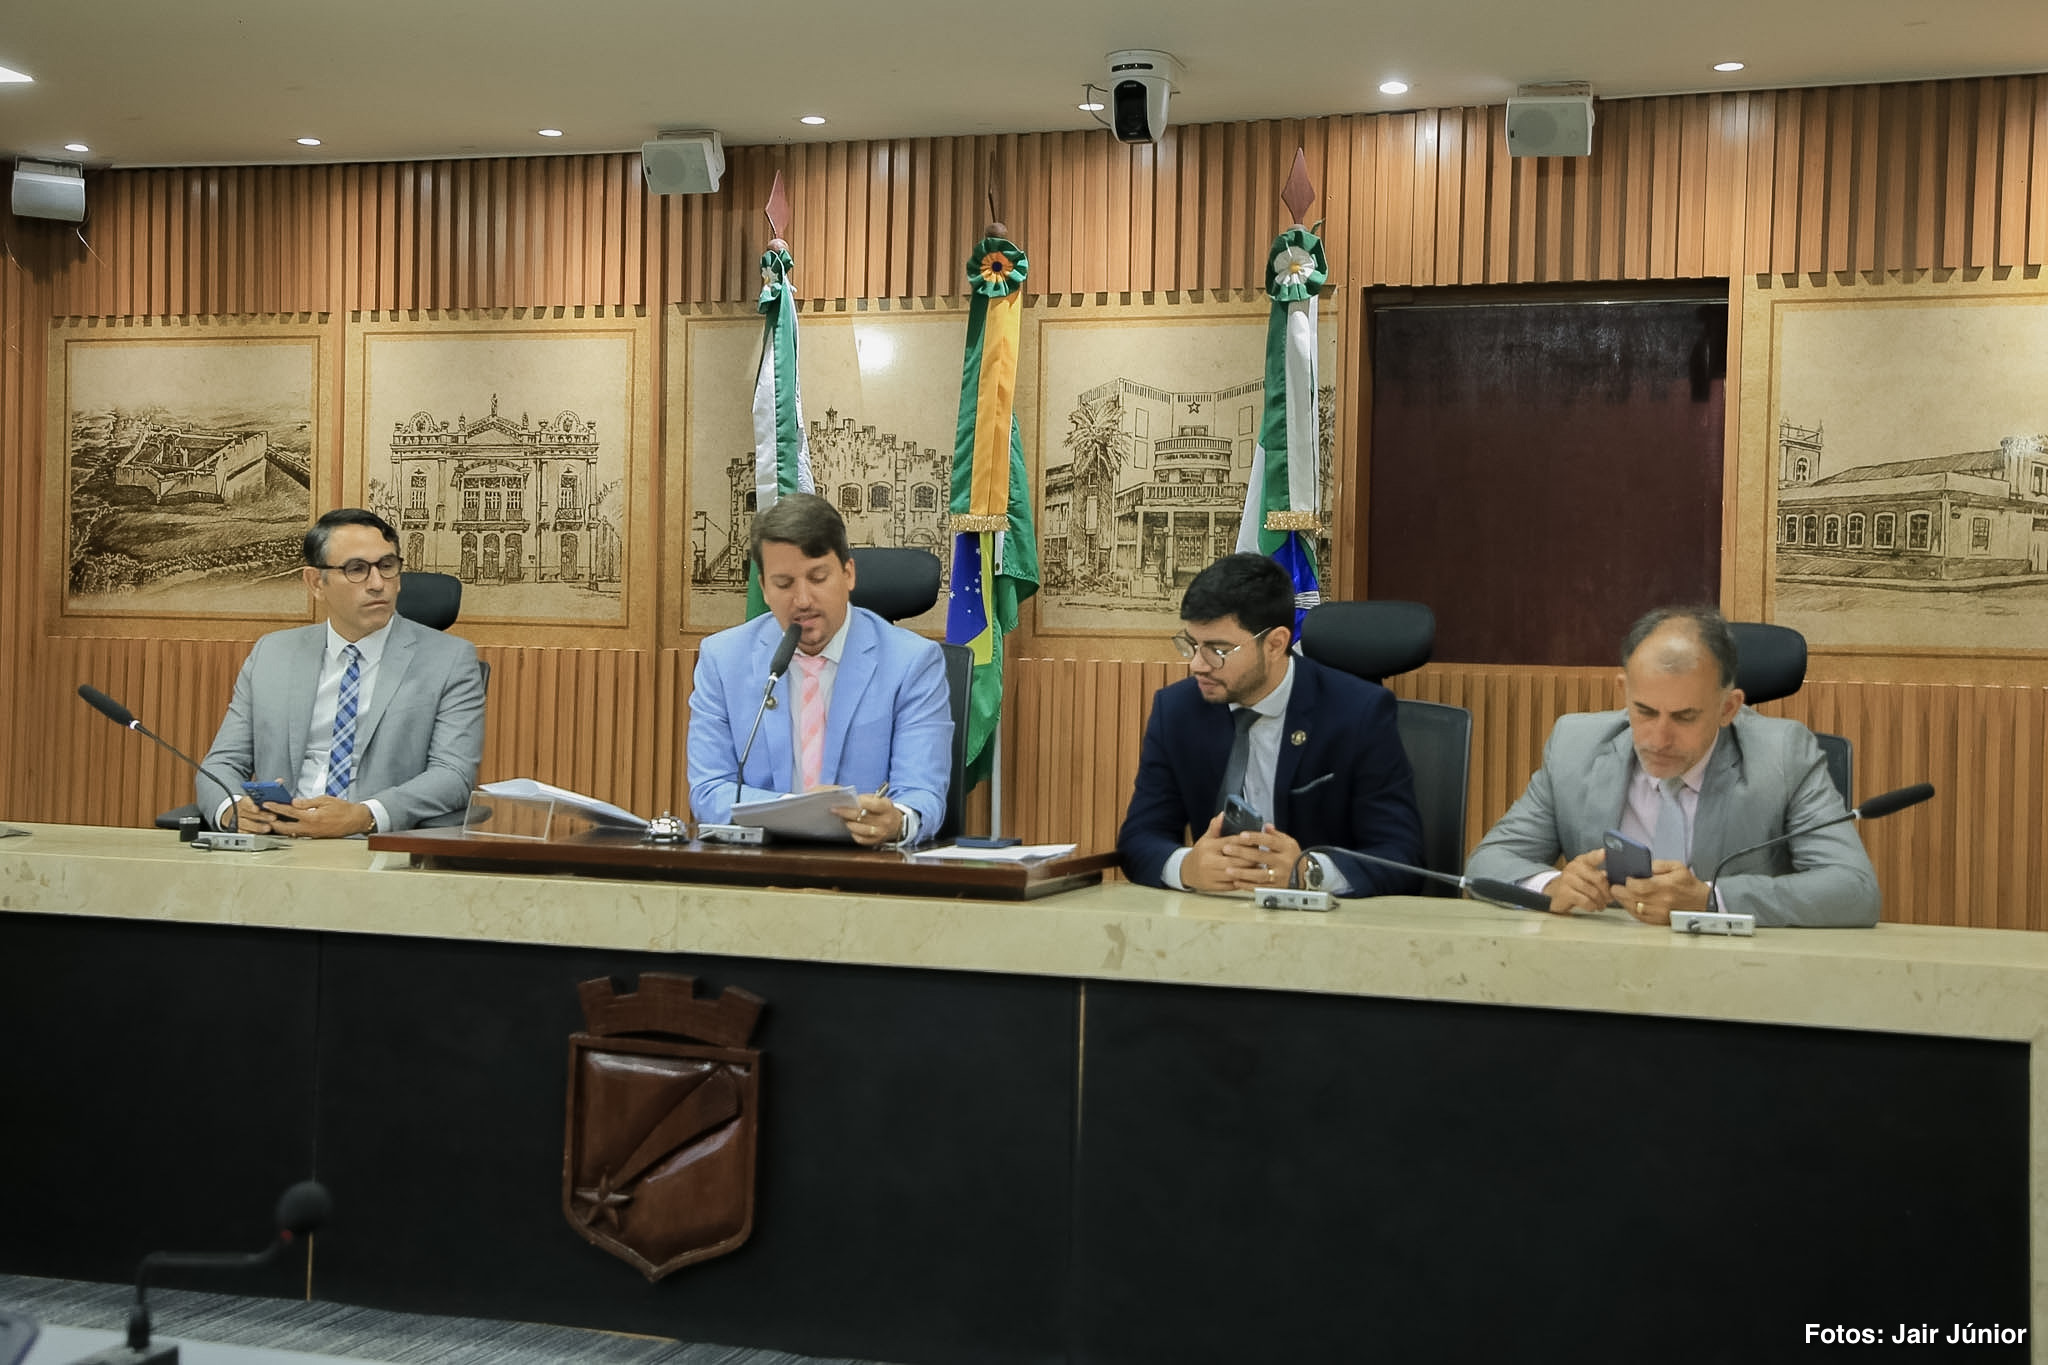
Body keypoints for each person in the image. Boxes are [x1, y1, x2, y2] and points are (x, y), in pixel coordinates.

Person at [1465, 605, 1880, 928]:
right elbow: (1489, 861)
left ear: (1728, 707)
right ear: (1624, 691)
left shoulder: (1783, 755)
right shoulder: (1576, 746)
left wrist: (1709, 899)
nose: (1659, 739)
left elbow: (1854, 890)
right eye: (1645, 711)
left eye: (1684, 717)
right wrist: (1549, 886)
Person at [1117, 553, 1424, 898]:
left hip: (1325, 920)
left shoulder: (1359, 713)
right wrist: (1187, 867)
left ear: (1275, 644)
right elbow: (1139, 839)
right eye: (1192, 645)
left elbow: (1401, 856)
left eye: (1218, 649)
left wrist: (1308, 873)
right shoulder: (1177, 711)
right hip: (1213, 915)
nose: (1197, 665)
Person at [200, 507, 486, 837]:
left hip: (377, 843)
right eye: (356, 569)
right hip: (277, 841)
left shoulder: (449, 660)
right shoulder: (272, 654)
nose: (377, 584)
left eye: (387, 566)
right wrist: (232, 808)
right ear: (316, 583)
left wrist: (364, 815)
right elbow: (221, 764)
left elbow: (453, 775)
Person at [687, 493, 951, 847]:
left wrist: (897, 820)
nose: (802, 600)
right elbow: (709, 790)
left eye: (817, 578)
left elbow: (922, 795)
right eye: (784, 584)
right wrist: (795, 812)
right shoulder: (723, 659)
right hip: (760, 863)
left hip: (867, 865)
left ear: (848, 574)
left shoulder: (913, 662)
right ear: (764, 588)